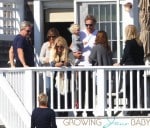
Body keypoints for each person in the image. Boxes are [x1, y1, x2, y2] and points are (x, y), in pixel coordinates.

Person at [114, 25, 144, 116]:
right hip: (139, 69)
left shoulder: (129, 43)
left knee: (128, 89)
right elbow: (141, 56)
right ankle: (135, 108)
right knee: (135, 89)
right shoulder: (139, 43)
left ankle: (132, 109)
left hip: (131, 69)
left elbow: (126, 54)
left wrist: (120, 63)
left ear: (128, 32)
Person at [76, 15, 98, 117]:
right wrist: (75, 54)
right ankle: (79, 111)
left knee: (90, 89)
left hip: (92, 65)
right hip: (81, 64)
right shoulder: (80, 33)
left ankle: (90, 111)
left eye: (91, 25)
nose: (89, 27)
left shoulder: (97, 34)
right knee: (81, 89)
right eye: (87, 25)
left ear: (94, 24)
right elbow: (72, 46)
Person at [50, 36, 71, 117]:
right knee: (57, 95)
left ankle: (65, 114)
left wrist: (66, 63)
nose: (59, 48)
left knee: (66, 95)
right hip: (56, 77)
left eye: (61, 46)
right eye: (57, 46)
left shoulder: (68, 52)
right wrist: (56, 64)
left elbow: (71, 62)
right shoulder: (53, 52)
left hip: (66, 77)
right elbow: (51, 63)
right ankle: (58, 114)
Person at [39, 28, 60, 105]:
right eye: (49, 36)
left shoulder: (59, 45)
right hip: (48, 72)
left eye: (53, 36)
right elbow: (40, 57)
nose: (51, 38)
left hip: (58, 72)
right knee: (48, 89)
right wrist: (46, 60)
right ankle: (49, 106)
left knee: (57, 90)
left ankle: (56, 106)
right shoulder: (45, 45)